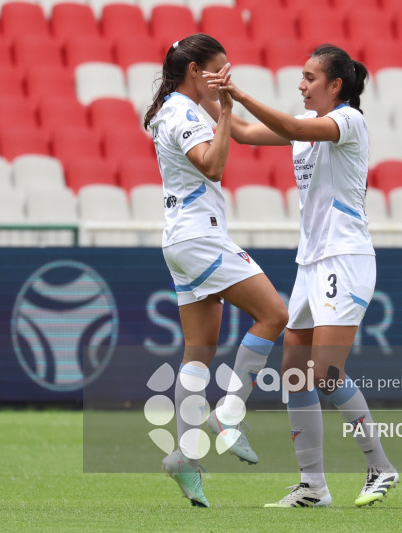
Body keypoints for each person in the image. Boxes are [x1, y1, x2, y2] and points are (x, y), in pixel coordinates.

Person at [203, 44, 398, 508]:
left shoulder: (348, 121)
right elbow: (248, 133)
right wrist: (207, 95)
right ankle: (314, 485)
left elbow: (288, 125)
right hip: (311, 263)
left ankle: (381, 466)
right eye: (301, 76)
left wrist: (238, 92)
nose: (301, 84)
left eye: (310, 78)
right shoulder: (307, 130)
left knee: (327, 373)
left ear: (336, 85)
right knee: (295, 376)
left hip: (345, 258)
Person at [144, 33, 288, 508]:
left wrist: (308, 132)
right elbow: (212, 166)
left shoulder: (177, 107)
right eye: (219, 70)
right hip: (201, 238)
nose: (226, 78)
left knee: (198, 352)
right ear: (194, 71)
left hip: (181, 241)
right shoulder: (186, 113)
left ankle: (184, 456)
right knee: (274, 314)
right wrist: (225, 109)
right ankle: (228, 412)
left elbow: (246, 133)